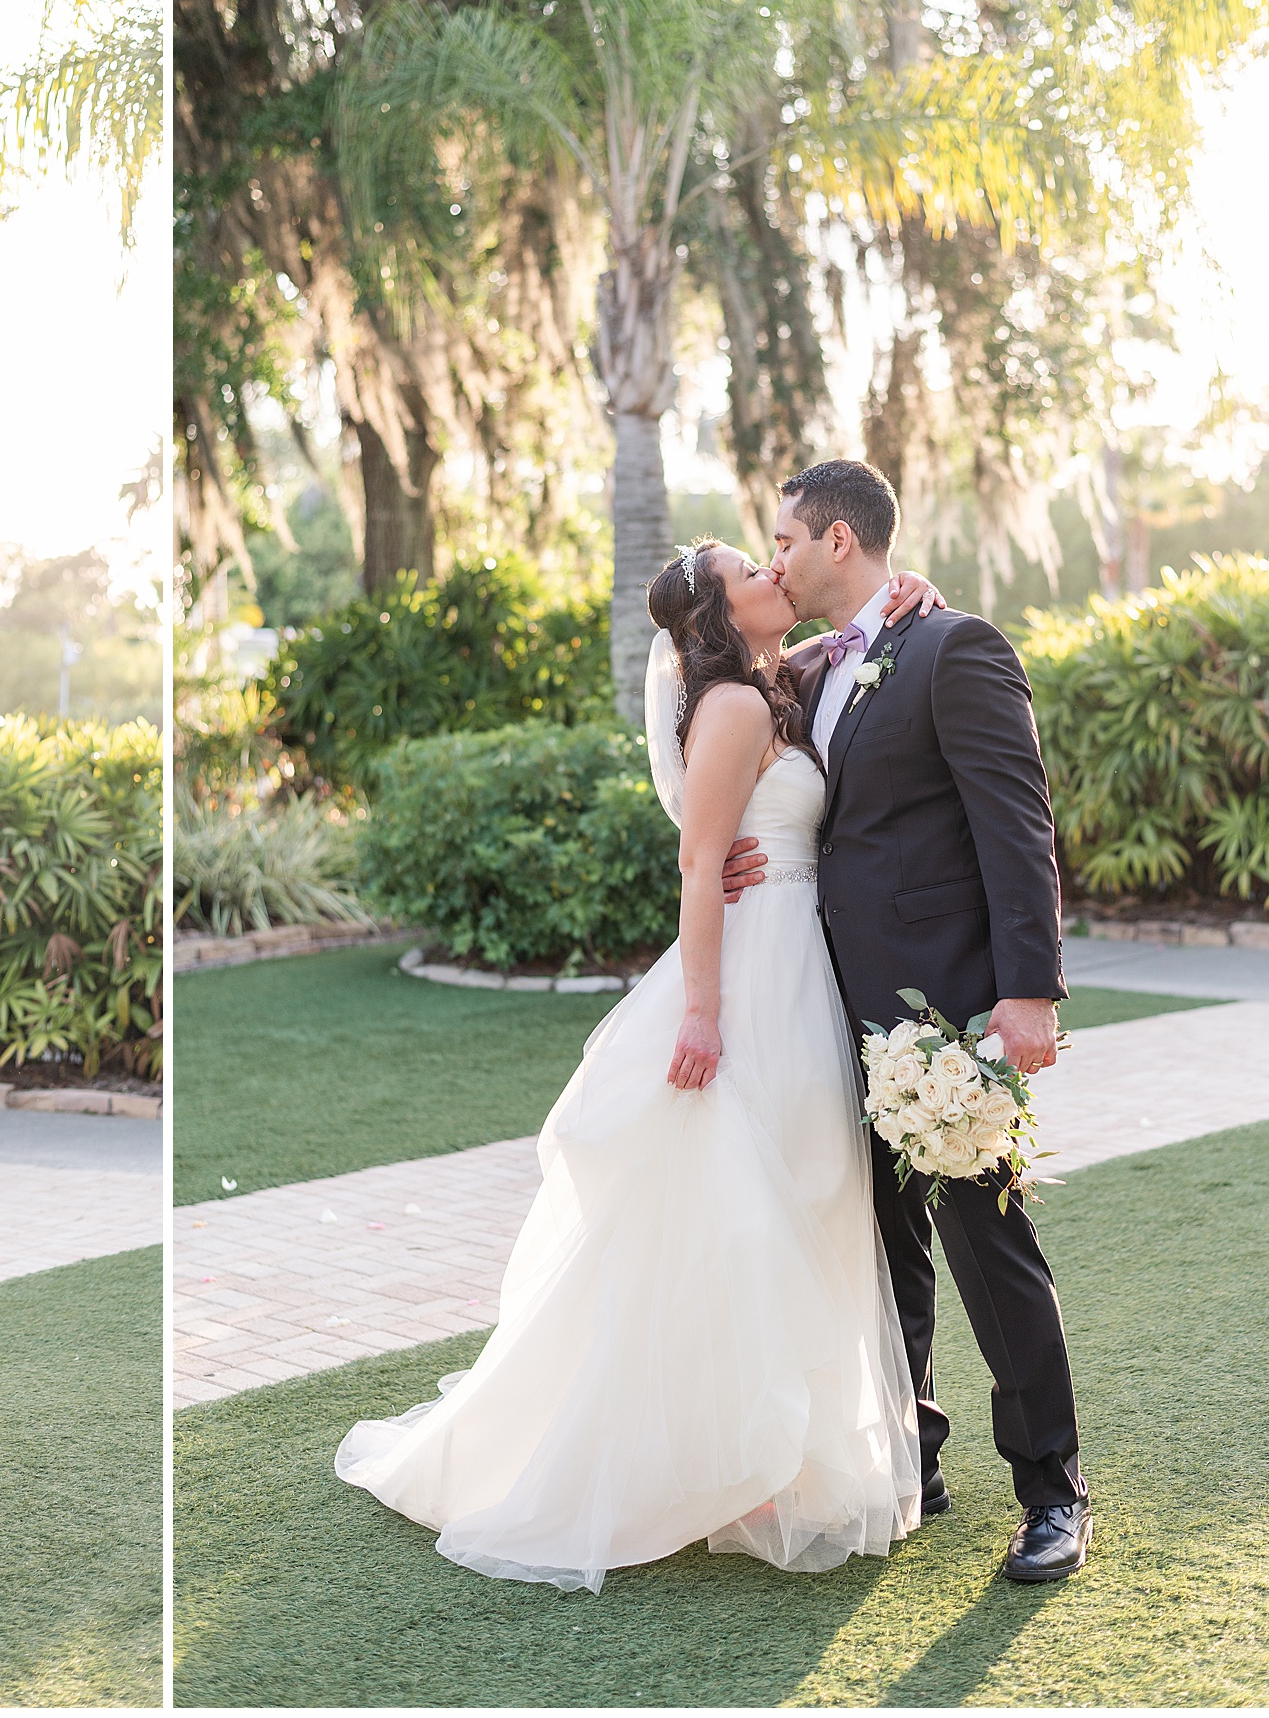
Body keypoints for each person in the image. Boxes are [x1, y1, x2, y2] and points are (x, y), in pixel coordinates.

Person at [335, 545, 944, 1592]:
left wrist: (904, 601)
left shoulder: (769, 684)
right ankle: (737, 1464)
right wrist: (701, 1014)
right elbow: (702, 860)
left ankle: (768, 1454)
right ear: (718, 606)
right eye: (752, 565)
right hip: (755, 979)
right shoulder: (738, 709)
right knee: (750, 1209)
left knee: (798, 1198)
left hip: (800, 964)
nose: (773, 566)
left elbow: (834, 652)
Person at [730, 457, 1088, 1583]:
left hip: (944, 1012)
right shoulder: (799, 671)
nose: (773, 556)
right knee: (884, 1247)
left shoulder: (954, 646)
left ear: (841, 540)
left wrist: (1027, 993)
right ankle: (914, 1459)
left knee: (990, 1243)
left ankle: (1053, 1490)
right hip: (828, 1007)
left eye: (785, 537)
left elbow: (1015, 826)